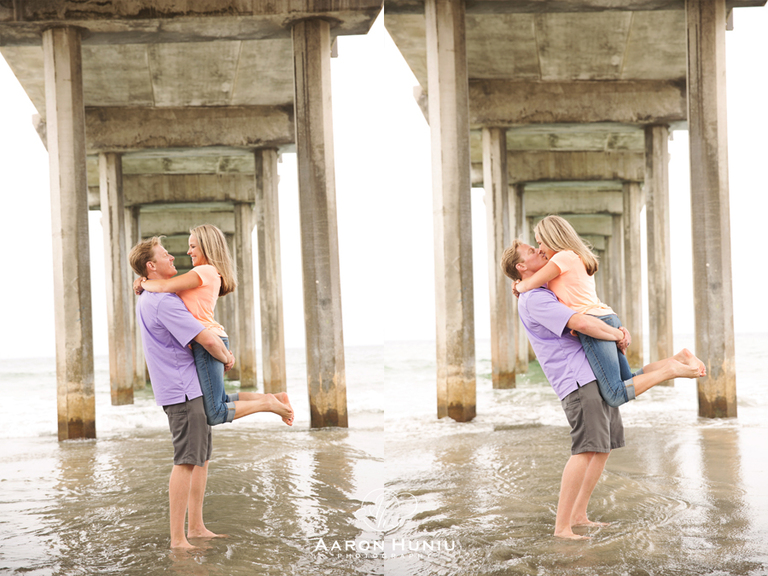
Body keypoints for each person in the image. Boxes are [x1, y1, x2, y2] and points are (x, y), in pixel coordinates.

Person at [501, 240, 706, 540]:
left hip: (589, 372)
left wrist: (614, 334)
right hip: (577, 379)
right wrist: (616, 334)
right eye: (531, 252)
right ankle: (562, 527)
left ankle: (579, 514)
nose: (539, 251)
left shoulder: (541, 289)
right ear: (521, 267)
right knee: (585, 449)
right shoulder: (534, 298)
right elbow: (579, 322)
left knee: (602, 446)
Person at [129, 236, 234, 548]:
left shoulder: (154, 296)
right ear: (151, 266)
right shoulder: (163, 301)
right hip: (183, 391)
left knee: (199, 458)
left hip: (185, 388)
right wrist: (227, 357)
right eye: (165, 255)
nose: (174, 257)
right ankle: (178, 538)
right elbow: (206, 340)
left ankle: (197, 527)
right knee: (186, 460)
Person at [134, 225, 293, 426]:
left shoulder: (204, 271)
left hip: (209, 340)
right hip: (212, 338)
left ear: (206, 247)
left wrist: (143, 283)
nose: (188, 252)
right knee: (221, 401)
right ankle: (274, 398)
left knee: (215, 413)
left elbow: (165, 286)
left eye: (192, 246)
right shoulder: (206, 273)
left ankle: (269, 404)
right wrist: (143, 279)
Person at [512, 215, 645, 407]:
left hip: (594, 322)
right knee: (628, 380)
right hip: (605, 316)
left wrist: (519, 286)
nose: (540, 248)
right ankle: (676, 362)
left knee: (615, 394)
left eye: (540, 243)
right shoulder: (571, 258)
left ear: (552, 237)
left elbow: (531, 283)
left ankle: (673, 370)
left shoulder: (561, 258)